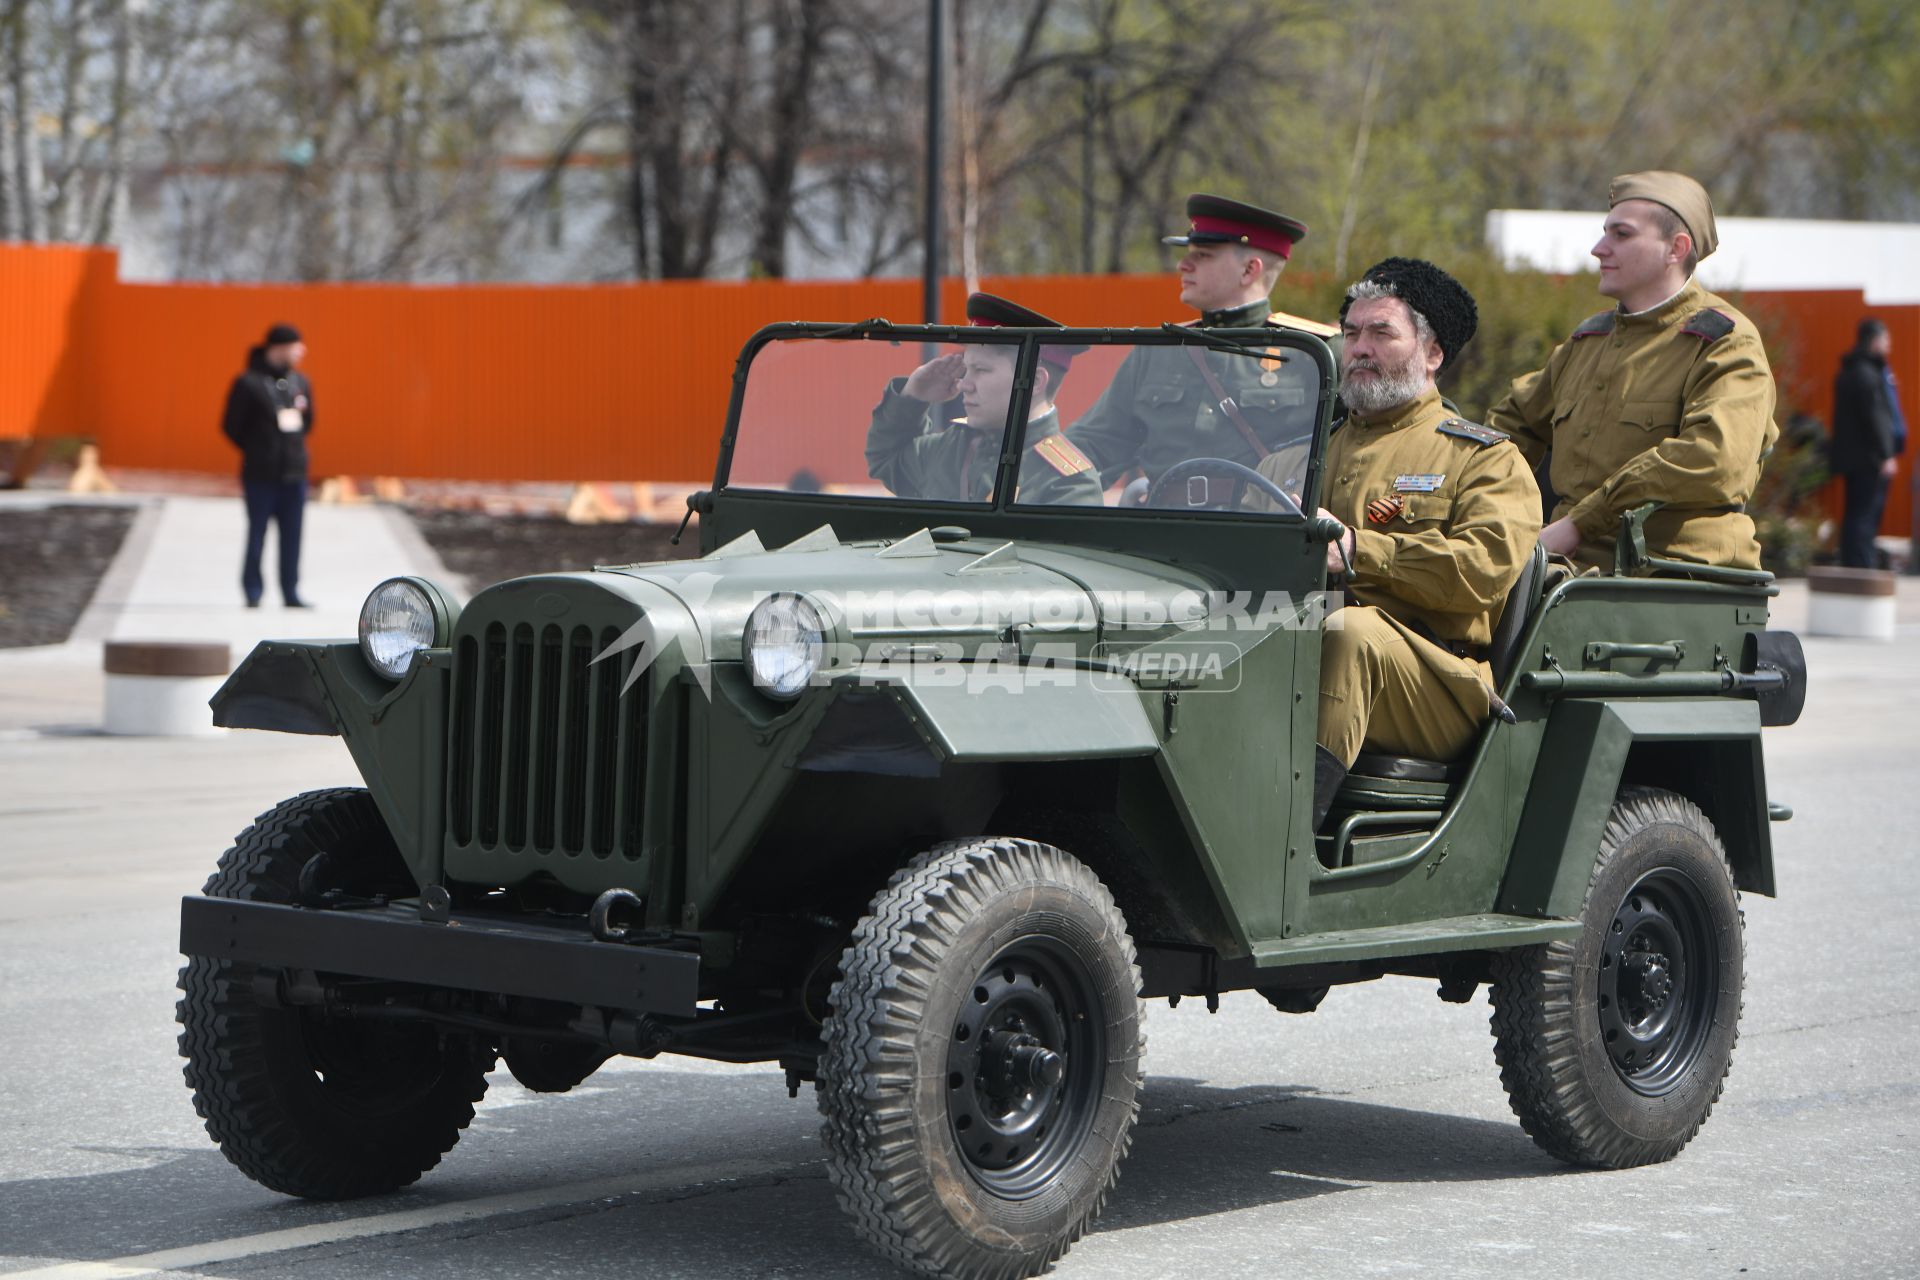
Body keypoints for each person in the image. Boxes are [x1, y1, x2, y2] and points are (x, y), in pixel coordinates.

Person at [1299, 259, 1542, 828]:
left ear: (1432, 354)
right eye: (1351, 332)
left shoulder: (1483, 459)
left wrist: (1362, 551)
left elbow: (1484, 571)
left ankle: (1279, 846)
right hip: (1304, 650)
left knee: (1350, 633)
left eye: (1381, 333)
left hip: (1440, 681)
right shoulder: (1309, 451)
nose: (1359, 348)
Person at [1485, 171, 1777, 572]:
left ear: (1676, 248)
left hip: (1669, 573)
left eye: (1621, 235)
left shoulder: (1723, 341)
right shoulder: (1590, 340)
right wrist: (1482, 502)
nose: (1598, 249)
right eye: (1605, 234)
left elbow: (1713, 458)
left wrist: (1582, 522)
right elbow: (1511, 426)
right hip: (1568, 564)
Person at [1063, 194, 1337, 494]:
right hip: (1162, 529)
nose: (1183, 265)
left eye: (1203, 255)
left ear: (1250, 270)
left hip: (1264, 527)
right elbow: (1093, 443)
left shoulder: (1313, 353)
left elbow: (1356, 448)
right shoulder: (1157, 350)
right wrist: (1026, 482)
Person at [865, 292, 1101, 506]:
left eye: (981, 369)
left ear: (1035, 381)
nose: (964, 384)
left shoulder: (1068, 483)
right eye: (966, 369)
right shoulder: (952, 447)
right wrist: (912, 398)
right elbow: (887, 458)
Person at [222, 323, 315, 608]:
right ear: (278, 348)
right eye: (295, 345)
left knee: (293, 536)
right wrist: (258, 450)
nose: (302, 351)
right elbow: (230, 426)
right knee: (257, 533)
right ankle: (253, 590)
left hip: (294, 475)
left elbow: (308, 423)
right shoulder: (248, 383)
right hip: (260, 475)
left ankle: (291, 591)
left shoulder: (300, 383)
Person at [1830, 318, 1906, 568]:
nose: (1889, 345)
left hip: (1854, 458)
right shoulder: (1867, 374)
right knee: (1864, 515)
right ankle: (1861, 567)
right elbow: (1877, 417)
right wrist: (1886, 454)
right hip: (1868, 459)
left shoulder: (1850, 371)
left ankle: (1853, 562)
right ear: (1874, 340)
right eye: (1886, 339)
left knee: (1855, 513)